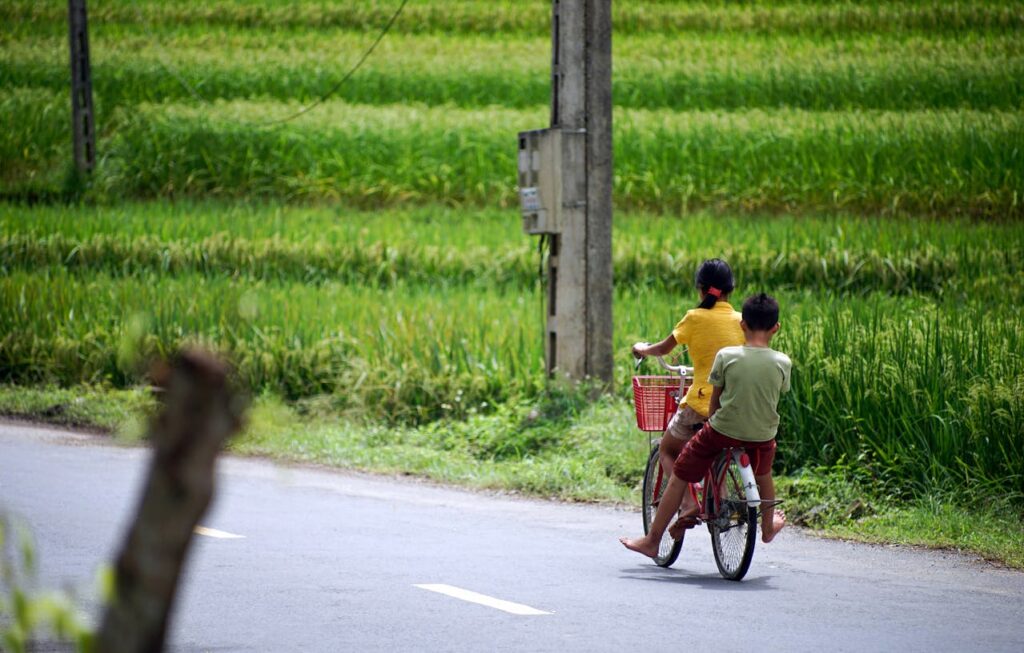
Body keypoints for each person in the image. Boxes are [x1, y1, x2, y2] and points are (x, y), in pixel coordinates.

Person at [621, 293, 791, 557]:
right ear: (775, 328)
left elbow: (716, 399)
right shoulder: (783, 362)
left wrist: (713, 420)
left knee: (679, 472)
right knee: (763, 474)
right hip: (762, 435)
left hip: (722, 431)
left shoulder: (727, 356)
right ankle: (768, 528)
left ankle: (653, 540)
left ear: (742, 324)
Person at [632, 258, 743, 529]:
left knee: (669, 449)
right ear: (730, 289)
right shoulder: (742, 321)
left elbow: (664, 348)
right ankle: (721, 500)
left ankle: (688, 503)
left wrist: (642, 349)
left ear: (701, 289)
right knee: (712, 449)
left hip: (701, 403)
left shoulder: (694, 318)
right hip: (734, 404)